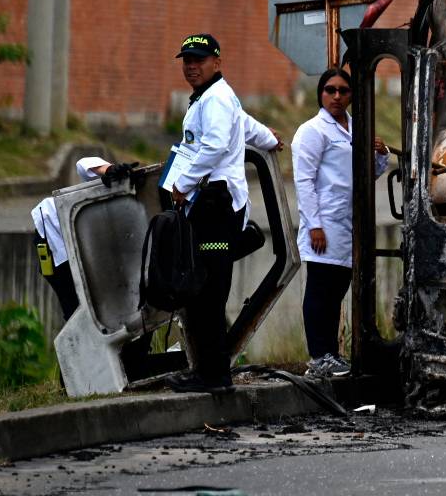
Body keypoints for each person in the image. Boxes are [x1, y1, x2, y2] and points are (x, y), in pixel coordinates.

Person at [164, 33, 281, 395]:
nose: (191, 66)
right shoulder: (214, 97)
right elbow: (244, 125)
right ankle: (210, 372)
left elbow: (215, 145)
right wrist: (270, 139)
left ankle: (213, 376)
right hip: (212, 204)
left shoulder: (215, 98)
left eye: (199, 60)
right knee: (205, 291)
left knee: (208, 294)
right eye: (187, 60)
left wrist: (182, 183)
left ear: (217, 62)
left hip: (215, 205)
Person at [291, 67, 389, 378]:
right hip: (324, 223)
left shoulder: (355, 128)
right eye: (330, 90)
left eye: (343, 91)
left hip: (348, 224)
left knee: (336, 291)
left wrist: (381, 154)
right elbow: (304, 181)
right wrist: (314, 225)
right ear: (320, 94)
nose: (336, 96)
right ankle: (319, 356)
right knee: (320, 290)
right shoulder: (312, 131)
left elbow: (367, 174)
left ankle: (331, 354)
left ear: (351, 96)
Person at [32, 156, 114, 320]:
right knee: (75, 308)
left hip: (80, 244)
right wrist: (109, 169)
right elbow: (83, 164)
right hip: (51, 231)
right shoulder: (127, 181)